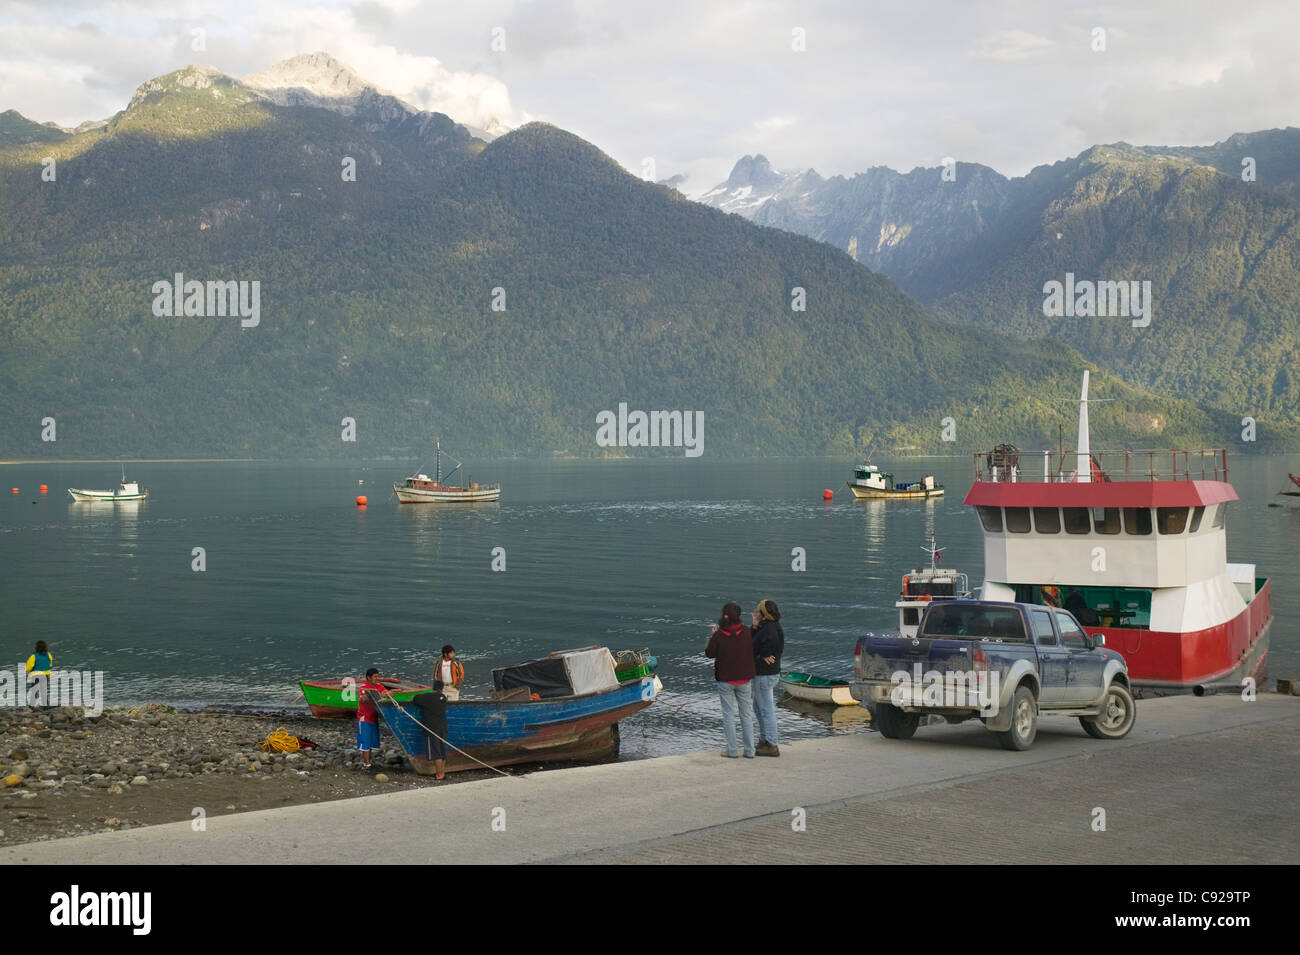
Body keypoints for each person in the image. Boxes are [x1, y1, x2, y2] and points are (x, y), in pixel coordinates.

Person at [705, 602, 756, 758]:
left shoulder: (720, 635)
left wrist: (713, 636)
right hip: (744, 679)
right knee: (746, 715)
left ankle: (732, 750)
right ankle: (750, 750)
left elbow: (709, 653)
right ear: (739, 616)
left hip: (726, 680)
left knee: (728, 715)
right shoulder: (747, 632)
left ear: (724, 616)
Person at [750, 599, 785, 757]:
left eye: (758, 611)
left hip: (765, 674)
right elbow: (753, 643)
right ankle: (764, 739)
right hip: (764, 673)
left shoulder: (770, 629)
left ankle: (771, 743)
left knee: (766, 709)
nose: (755, 613)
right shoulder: (766, 627)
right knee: (759, 708)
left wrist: (762, 654)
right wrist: (755, 626)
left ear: (764, 614)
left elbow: (767, 646)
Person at [409, 680, 449, 780]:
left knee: (436, 753)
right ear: (442, 688)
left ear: (433, 687)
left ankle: (439, 775)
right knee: (442, 752)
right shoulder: (443, 698)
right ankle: (442, 773)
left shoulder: (428, 697)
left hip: (432, 729)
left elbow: (416, 699)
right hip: (442, 727)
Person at [356, 668, 388, 771]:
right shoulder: (363, 688)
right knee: (365, 742)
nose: (377, 679)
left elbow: (388, 693)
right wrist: (378, 695)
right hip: (364, 719)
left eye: (377, 676)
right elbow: (362, 698)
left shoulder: (379, 686)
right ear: (368, 678)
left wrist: (388, 694)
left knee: (371, 742)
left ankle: (369, 762)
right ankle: (367, 765)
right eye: (375, 677)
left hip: (374, 718)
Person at [25, 640, 52, 708]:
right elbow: (50, 665)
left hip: (35, 676)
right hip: (45, 676)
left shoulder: (33, 656)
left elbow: (28, 668)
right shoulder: (49, 655)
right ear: (46, 647)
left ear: (36, 648)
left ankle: (31, 706)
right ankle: (46, 706)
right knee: (44, 691)